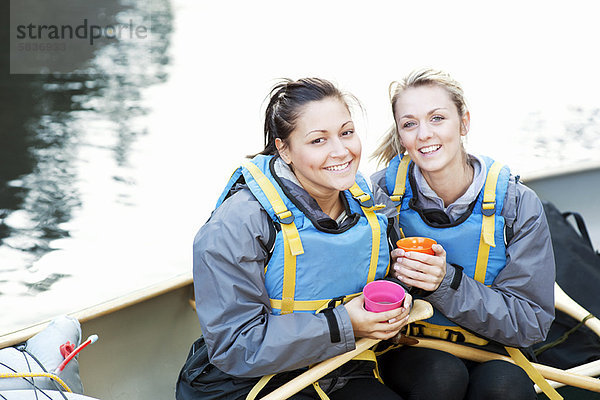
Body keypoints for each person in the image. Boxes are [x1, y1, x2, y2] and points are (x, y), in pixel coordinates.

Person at [176, 78, 413, 400]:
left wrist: (403, 292)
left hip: (336, 366)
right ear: (283, 149)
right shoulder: (237, 224)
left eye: (346, 132)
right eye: (318, 140)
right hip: (246, 381)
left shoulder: (368, 201)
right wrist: (344, 323)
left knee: (441, 377)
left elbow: (379, 279)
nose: (341, 151)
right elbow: (235, 345)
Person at [370, 68, 556, 400]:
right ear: (401, 135)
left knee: (505, 388)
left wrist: (446, 284)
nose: (424, 134)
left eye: (437, 118)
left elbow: (530, 324)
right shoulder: (380, 196)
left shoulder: (516, 204)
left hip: (496, 349)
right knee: (442, 377)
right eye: (410, 124)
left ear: (464, 122)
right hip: (410, 346)